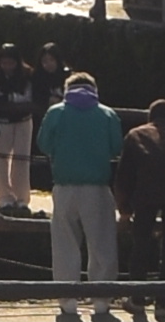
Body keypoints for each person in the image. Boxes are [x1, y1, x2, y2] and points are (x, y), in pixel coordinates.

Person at [33, 70, 123, 292]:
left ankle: (67, 298)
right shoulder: (108, 114)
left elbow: (43, 144)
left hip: (64, 186)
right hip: (98, 188)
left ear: (66, 90)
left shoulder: (55, 113)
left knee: (65, 246)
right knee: (102, 246)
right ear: (95, 90)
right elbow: (117, 148)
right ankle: (101, 299)